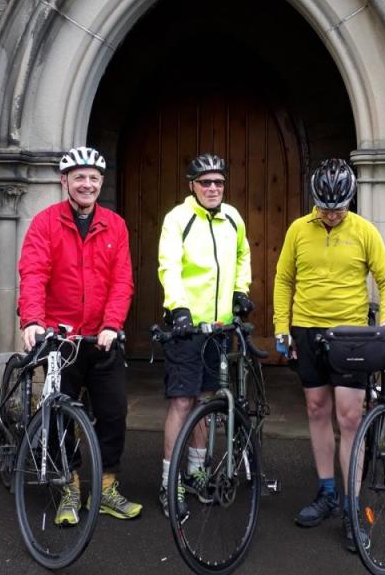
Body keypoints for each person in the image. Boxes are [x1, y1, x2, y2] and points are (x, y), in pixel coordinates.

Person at [273, 158, 385, 552]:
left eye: (339, 207)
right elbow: (284, 278)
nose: (332, 214)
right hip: (307, 330)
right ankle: (327, 491)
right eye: (326, 208)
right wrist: (282, 326)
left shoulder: (364, 231)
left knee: (349, 417)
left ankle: (351, 505)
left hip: (351, 335)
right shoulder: (298, 229)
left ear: (350, 200)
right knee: (315, 408)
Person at [18, 146, 142, 523]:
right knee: (58, 415)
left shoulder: (114, 225)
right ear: (65, 182)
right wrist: (33, 321)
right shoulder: (46, 222)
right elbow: (34, 272)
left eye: (93, 178)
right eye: (79, 177)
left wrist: (111, 325)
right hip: (61, 339)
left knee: (114, 412)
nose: (86, 184)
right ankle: (69, 487)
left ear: (100, 183)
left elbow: (122, 280)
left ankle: (105, 489)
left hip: (101, 339)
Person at [157, 153, 254, 520]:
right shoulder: (178, 219)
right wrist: (178, 307)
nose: (213, 188)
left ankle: (197, 472)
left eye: (218, 183)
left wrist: (240, 291)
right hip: (187, 328)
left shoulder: (233, 218)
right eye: (205, 183)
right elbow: (168, 264)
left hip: (220, 328)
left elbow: (243, 255)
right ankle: (169, 483)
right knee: (182, 402)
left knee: (205, 401)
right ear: (191, 185)